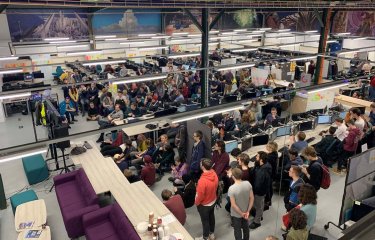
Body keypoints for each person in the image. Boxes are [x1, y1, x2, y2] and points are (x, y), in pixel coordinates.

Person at [195, 159, 219, 240]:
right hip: (213, 200)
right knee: (211, 217)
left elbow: (200, 196)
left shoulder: (202, 181)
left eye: (201, 163)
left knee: (205, 222)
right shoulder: (214, 173)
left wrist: (197, 202)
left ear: (203, 167)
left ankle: (205, 237)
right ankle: (212, 234)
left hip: (204, 205)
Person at [228, 168, 254, 240]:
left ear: (233, 176)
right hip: (246, 212)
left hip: (236, 214)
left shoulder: (231, 188)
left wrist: (241, 213)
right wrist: (248, 211)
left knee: (237, 229)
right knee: (246, 228)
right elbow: (252, 198)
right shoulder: (248, 184)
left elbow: (233, 205)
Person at [250, 151, 272, 230]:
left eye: (257, 157)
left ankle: (257, 222)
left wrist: (253, 192)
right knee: (259, 204)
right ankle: (259, 215)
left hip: (259, 192)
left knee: (259, 206)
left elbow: (258, 184)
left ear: (261, 159)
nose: (255, 157)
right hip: (260, 191)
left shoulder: (263, 171)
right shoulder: (263, 165)